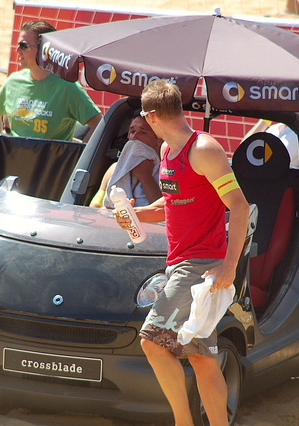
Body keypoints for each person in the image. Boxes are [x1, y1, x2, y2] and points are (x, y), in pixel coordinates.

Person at [116, 79, 249, 426]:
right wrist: (137, 214)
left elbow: (239, 206)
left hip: (200, 267)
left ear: (150, 116)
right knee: (202, 358)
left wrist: (229, 267)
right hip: (182, 264)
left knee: (151, 342)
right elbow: (173, 202)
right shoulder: (166, 152)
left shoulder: (203, 149)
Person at [0, 21, 102, 142]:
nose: (17, 50)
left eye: (24, 46)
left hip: (53, 161)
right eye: (18, 45)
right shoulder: (13, 81)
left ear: (44, 49)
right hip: (17, 160)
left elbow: (98, 124)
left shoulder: (67, 87)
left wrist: (79, 155)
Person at [90, 113, 163, 208]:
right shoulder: (115, 169)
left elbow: (163, 213)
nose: (134, 137)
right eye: (132, 132)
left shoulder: (167, 172)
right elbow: (94, 207)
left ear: (159, 140)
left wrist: (146, 177)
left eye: (142, 132)